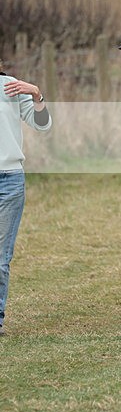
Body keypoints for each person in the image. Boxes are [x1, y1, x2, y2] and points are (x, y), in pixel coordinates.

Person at [1, 62, 52, 336]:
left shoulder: (11, 87)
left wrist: (36, 95)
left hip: (10, 181)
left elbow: (42, 124)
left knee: (1, 258)